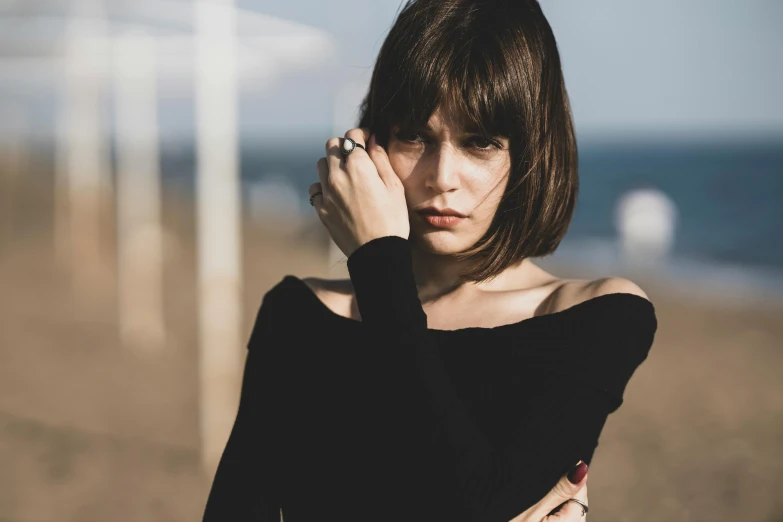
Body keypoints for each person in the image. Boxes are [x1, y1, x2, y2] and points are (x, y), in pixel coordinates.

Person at [202, 0, 657, 521]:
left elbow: (465, 502)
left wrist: (378, 262)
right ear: (372, 142)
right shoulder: (300, 314)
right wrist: (379, 264)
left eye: (480, 143)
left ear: (532, 154)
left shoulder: (593, 317)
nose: (442, 176)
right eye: (415, 136)